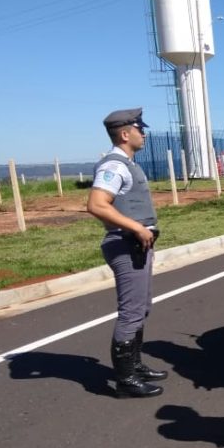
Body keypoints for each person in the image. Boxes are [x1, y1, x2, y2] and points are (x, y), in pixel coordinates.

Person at [87, 107, 167, 398]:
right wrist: (136, 227)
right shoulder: (114, 166)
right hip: (125, 243)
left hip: (136, 244)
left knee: (141, 307)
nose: (143, 133)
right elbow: (97, 204)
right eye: (139, 129)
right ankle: (126, 380)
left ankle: (135, 364)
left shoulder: (128, 163)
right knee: (131, 312)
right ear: (124, 134)